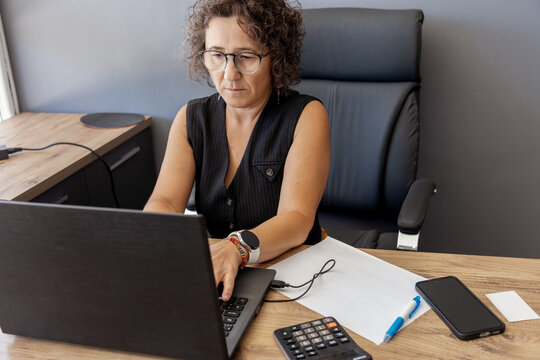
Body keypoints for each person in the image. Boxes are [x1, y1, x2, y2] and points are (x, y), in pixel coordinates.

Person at [144, 0, 330, 301]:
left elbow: (297, 218)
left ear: (275, 58)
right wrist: (162, 234)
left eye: (246, 57)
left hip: (297, 280)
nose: (229, 74)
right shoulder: (191, 119)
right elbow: (163, 201)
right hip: (222, 278)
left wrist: (237, 247)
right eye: (217, 55)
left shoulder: (306, 115)